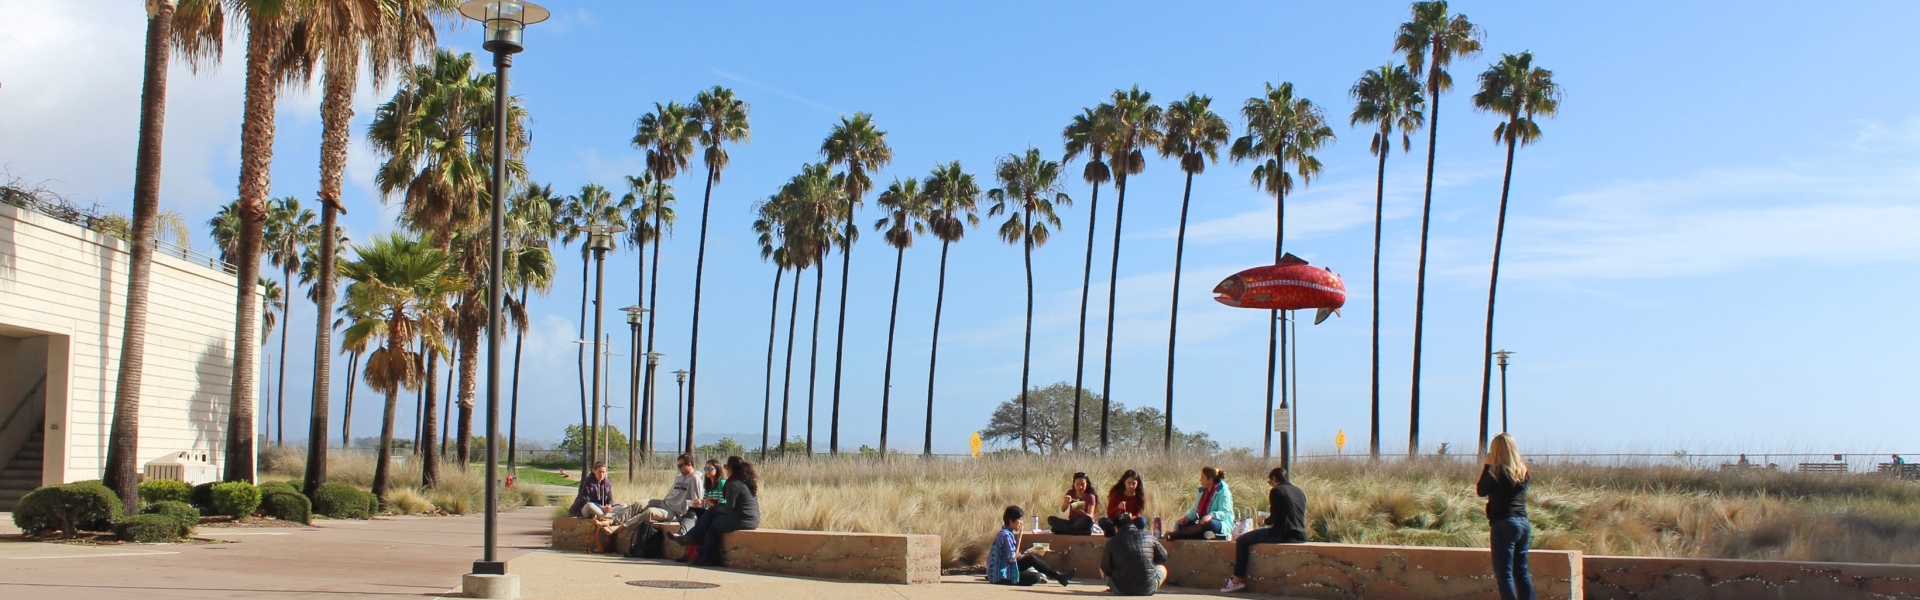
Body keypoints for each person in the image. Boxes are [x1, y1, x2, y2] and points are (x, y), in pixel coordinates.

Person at [1221, 467, 1307, 593]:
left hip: (1282, 534)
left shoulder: (1276, 491)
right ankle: (1237, 580)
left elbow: (1274, 518)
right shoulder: (1299, 491)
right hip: (1300, 535)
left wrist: (1264, 521)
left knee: (1242, 540)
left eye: (1269, 482)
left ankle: (1237, 580)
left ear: (1274, 479)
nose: (1270, 485)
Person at [1479, 433, 1535, 600]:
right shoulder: (1522, 471)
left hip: (1504, 523)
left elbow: (1481, 490)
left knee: (1504, 574)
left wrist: (1487, 466)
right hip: (1523, 522)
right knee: (1521, 572)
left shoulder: (1496, 472)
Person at [695, 456, 762, 566]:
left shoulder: (734, 484)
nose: (725, 469)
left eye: (726, 466)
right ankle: (701, 551)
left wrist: (716, 506)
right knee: (712, 517)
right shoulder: (744, 482)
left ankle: (707, 557)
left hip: (743, 520)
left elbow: (729, 508)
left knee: (712, 525)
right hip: (748, 519)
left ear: (731, 468)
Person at [987, 505, 1074, 587]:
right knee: (1035, 577)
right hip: (1001, 576)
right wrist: (1020, 539)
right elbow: (1012, 558)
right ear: (1010, 520)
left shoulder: (1007, 533)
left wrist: (1029, 553)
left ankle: (1058, 576)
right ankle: (1058, 577)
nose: (1021, 522)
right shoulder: (1005, 535)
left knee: (1031, 559)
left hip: (1007, 569)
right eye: (1019, 519)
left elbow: (1014, 558)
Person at [1100, 512, 1167, 596]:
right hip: (1147, 589)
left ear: (1116, 528)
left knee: (1101, 569)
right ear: (1132, 523)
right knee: (1162, 568)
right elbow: (1163, 556)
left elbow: (1105, 568)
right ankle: (1150, 586)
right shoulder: (1149, 537)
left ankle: (1113, 586)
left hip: (1121, 590)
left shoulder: (1111, 542)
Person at [1168, 466, 1232, 540]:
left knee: (1209, 524)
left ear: (1210, 480)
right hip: (1202, 524)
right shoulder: (1202, 492)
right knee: (1180, 524)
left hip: (1220, 523)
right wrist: (1187, 517)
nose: (1200, 480)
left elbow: (1225, 513)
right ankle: (1205, 535)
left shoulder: (1223, 491)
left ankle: (1175, 535)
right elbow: (1195, 511)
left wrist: (1211, 515)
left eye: (1202, 478)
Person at [640, 454, 702, 523]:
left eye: (681, 466)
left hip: (675, 512)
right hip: (665, 503)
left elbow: (696, 501)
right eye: (678, 466)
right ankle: (626, 520)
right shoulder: (679, 477)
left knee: (650, 511)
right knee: (640, 504)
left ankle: (627, 527)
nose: (679, 468)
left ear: (689, 464)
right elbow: (671, 493)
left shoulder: (695, 478)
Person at [1100, 470, 1150, 537]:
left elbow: (1138, 514)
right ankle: (1114, 534)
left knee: (1142, 521)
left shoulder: (1140, 496)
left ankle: (1133, 535)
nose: (1131, 486)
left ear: (1138, 484)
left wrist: (1130, 517)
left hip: (1131, 522)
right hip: (1117, 521)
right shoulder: (1116, 494)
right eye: (1129, 483)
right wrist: (1118, 508)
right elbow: (1109, 514)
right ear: (1124, 482)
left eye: (1134, 483)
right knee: (1103, 521)